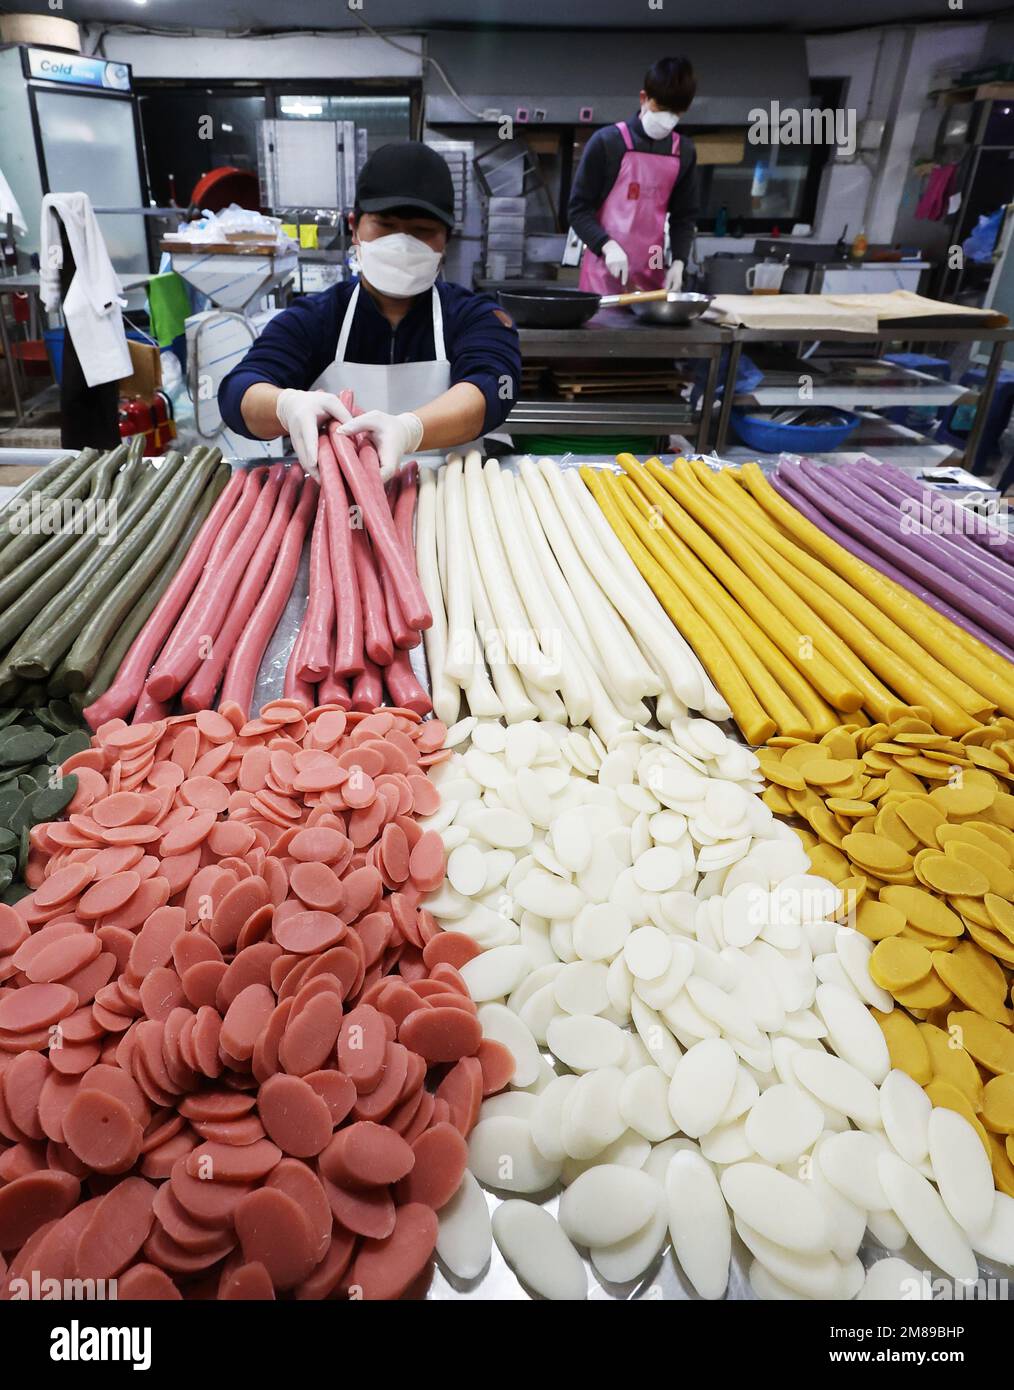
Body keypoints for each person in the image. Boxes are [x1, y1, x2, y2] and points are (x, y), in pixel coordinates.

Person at [219, 141, 522, 478]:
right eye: (386, 226)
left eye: (422, 231)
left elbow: (494, 386)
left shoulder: (473, 316)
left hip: (447, 494)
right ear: (354, 226)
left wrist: (409, 431)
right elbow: (239, 393)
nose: (403, 243)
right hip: (336, 499)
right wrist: (285, 406)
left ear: (446, 239)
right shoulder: (316, 318)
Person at [568, 56, 699, 297]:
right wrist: (607, 246)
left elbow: (684, 217)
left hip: (654, 270)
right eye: (661, 108)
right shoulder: (607, 143)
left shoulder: (685, 152)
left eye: (676, 112)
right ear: (644, 98)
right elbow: (578, 209)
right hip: (604, 271)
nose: (667, 118)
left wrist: (679, 261)